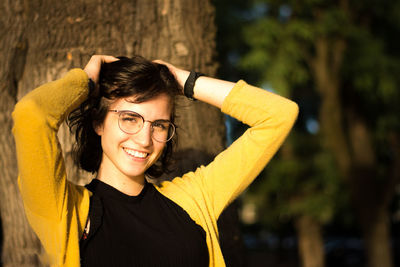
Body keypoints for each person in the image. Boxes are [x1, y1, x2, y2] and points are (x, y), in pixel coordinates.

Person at [12, 55, 298, 267]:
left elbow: (279, 115)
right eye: (129, 119)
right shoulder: (66, 210)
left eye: (159, 124)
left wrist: (185, 82)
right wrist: (86, 82)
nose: (144, 139)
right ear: (98, 122)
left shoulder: (195, 199)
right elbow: (31, 117)